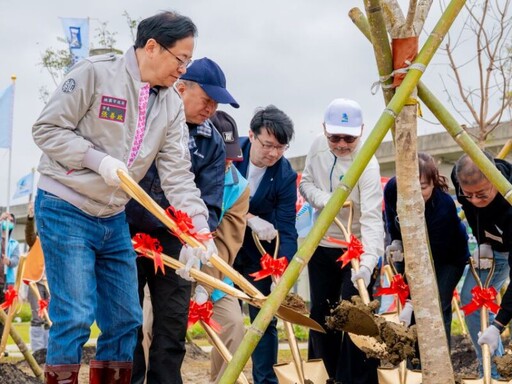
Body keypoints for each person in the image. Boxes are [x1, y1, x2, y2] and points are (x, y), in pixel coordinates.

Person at [32, 11, 216, 384]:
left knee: (125, 319)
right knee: (75, 314)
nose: (183, 70)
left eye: (188, 61)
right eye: (180, 59)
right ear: (151, 47)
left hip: (113, 216)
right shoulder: (95, 74)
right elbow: (46, 129)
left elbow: (177, 174)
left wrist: (199, 229)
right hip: (66, 205)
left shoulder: (168, 106)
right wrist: (95, 160)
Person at [125, 57, 238, 384]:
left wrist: (199, 239)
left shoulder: (212, 142)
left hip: (176, 241)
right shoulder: (143, 119)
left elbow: (210, 200)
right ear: (181, 87)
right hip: (126, 232)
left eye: (217, 102)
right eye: (207, 99)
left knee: (172, 326)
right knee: (127, 323)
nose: (211, 108)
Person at [299, 98, 383, 383]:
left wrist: (369, 263)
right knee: (321, 314)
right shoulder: (316, 148)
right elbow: (306, 183)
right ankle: (329, 376)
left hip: (356, 249)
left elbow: (372, 219)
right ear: (324, 130)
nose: (342, 144)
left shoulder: (368, 166)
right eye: (335, 137)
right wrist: (328, 201)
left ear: (361, 131)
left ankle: (356, 379)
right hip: (323, 245)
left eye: (349, 138)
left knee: (354, 316)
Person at [233, 105, 297, 384]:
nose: (273, 153)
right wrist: (247, 216)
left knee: (264, 319)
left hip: (259, 256)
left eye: (280, 147)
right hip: (223, 246)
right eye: (267, 145)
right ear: (251, 135)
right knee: (227, 319)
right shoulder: (230, 153)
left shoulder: (284, 174)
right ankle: (225, 376)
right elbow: (212, 195)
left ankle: (265, 381)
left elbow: (287, 227)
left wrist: (281, 270)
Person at [384, 152, 469, 346]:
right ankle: (414, 364)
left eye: (422, 187)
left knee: (436, 306)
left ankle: (441, 361)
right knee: (412, 313)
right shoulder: (392, 188)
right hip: (410, 254)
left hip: (447, 259)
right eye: (410, 186)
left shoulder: (443, 206)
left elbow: (434, 258)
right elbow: (390, 217)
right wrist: (396, 240)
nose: (415, 193)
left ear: (433, 183)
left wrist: (412, 302)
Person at [451, 152, 512, 378]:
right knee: (472, 299)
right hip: (491, 249)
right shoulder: (458, 180)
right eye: (469, 195)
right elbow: (471, 209)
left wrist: (497, 326)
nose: (475, 200)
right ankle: (492, 369)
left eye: (482, 195)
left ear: (495, 181)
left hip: (509, 247)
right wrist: (483, 241)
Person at [200, 110, 248, 383]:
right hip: (170, 271)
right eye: (222, 156)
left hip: (215, 275)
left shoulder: (238, 188)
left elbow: (226, 245)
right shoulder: (179, 173)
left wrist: (205, 287)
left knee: (233, 326)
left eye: (232, 157)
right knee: (150, 328)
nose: (228, 163)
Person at [24, 201, 51, 355]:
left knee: (50, 319)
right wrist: (30, 217)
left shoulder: (56, 242)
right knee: (37, 317)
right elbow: (28, 234)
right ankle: (38, 350)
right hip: (36, 283)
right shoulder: (36, 241)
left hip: (51, 283)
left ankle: (48, 349)